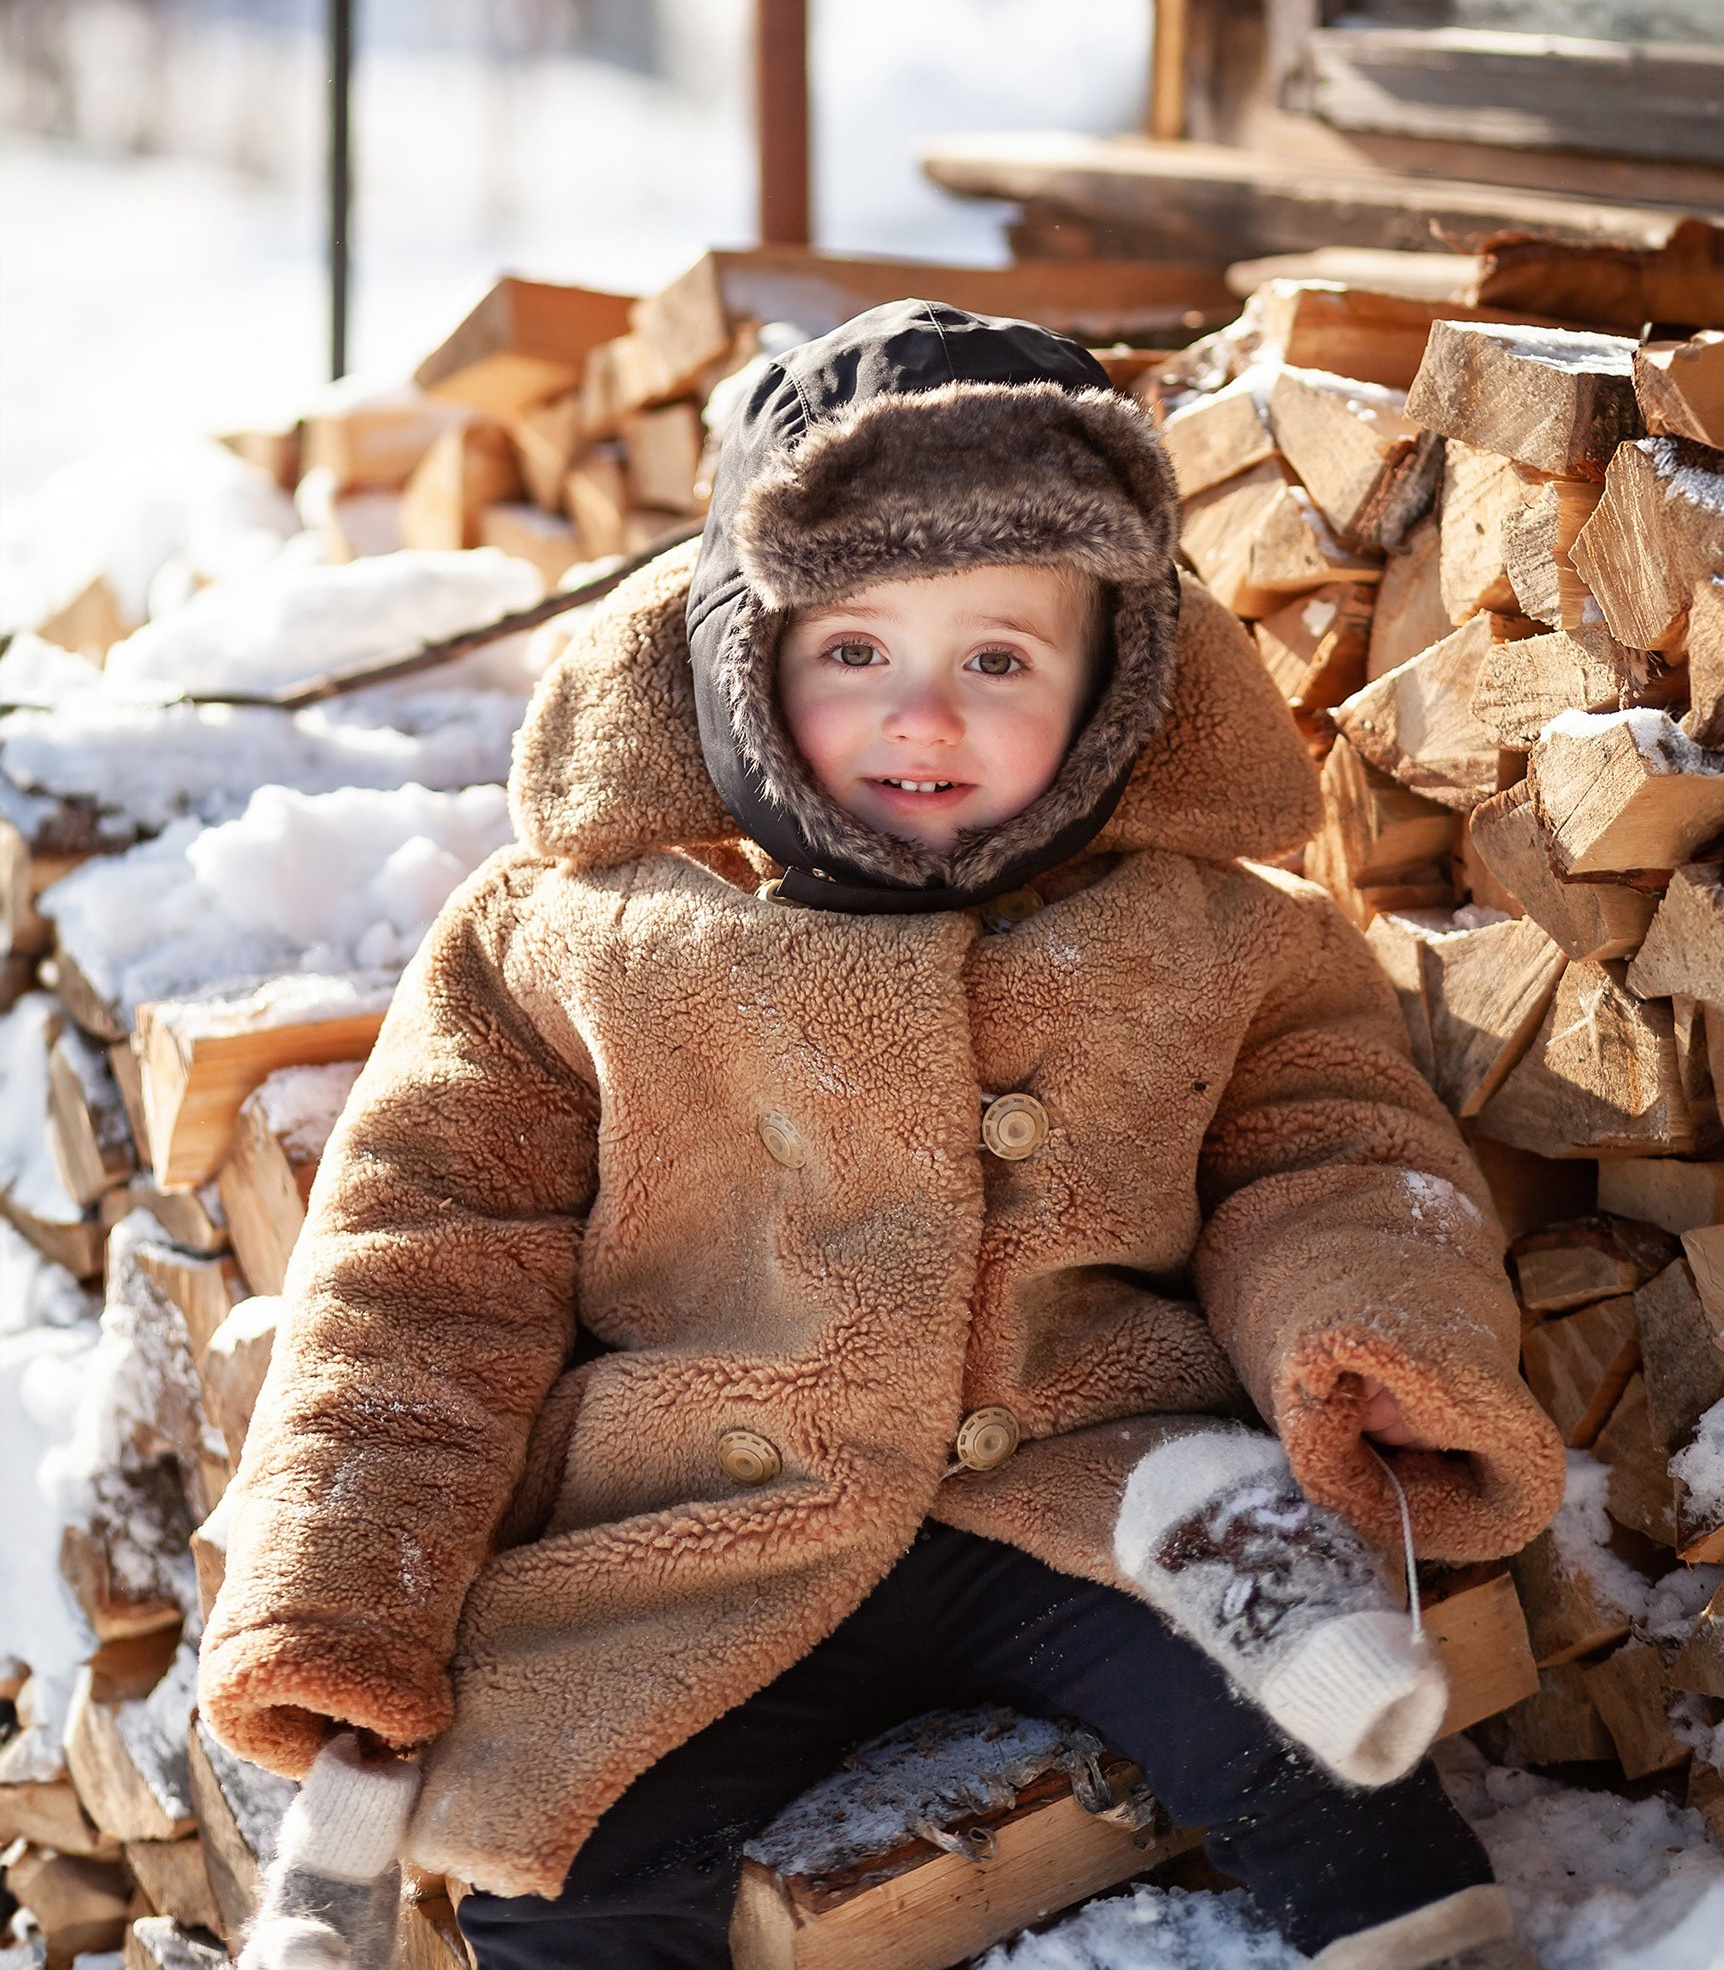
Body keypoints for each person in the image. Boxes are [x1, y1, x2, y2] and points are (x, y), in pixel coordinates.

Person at [200, 303, 1565, 1970]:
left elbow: (1336, 1161)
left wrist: (1371, 1341)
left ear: (1116, 684)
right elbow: (424, 1270)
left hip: (1084, 1482)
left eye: (998, 659)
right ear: (741, 653)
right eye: (856, 652)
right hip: (703, 1532)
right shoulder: (579, 938)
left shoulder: (1218, 935)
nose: (922, 716)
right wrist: (351, 1591)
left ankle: (1412, 1929)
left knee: (1303, 1716)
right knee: (565, 1848)